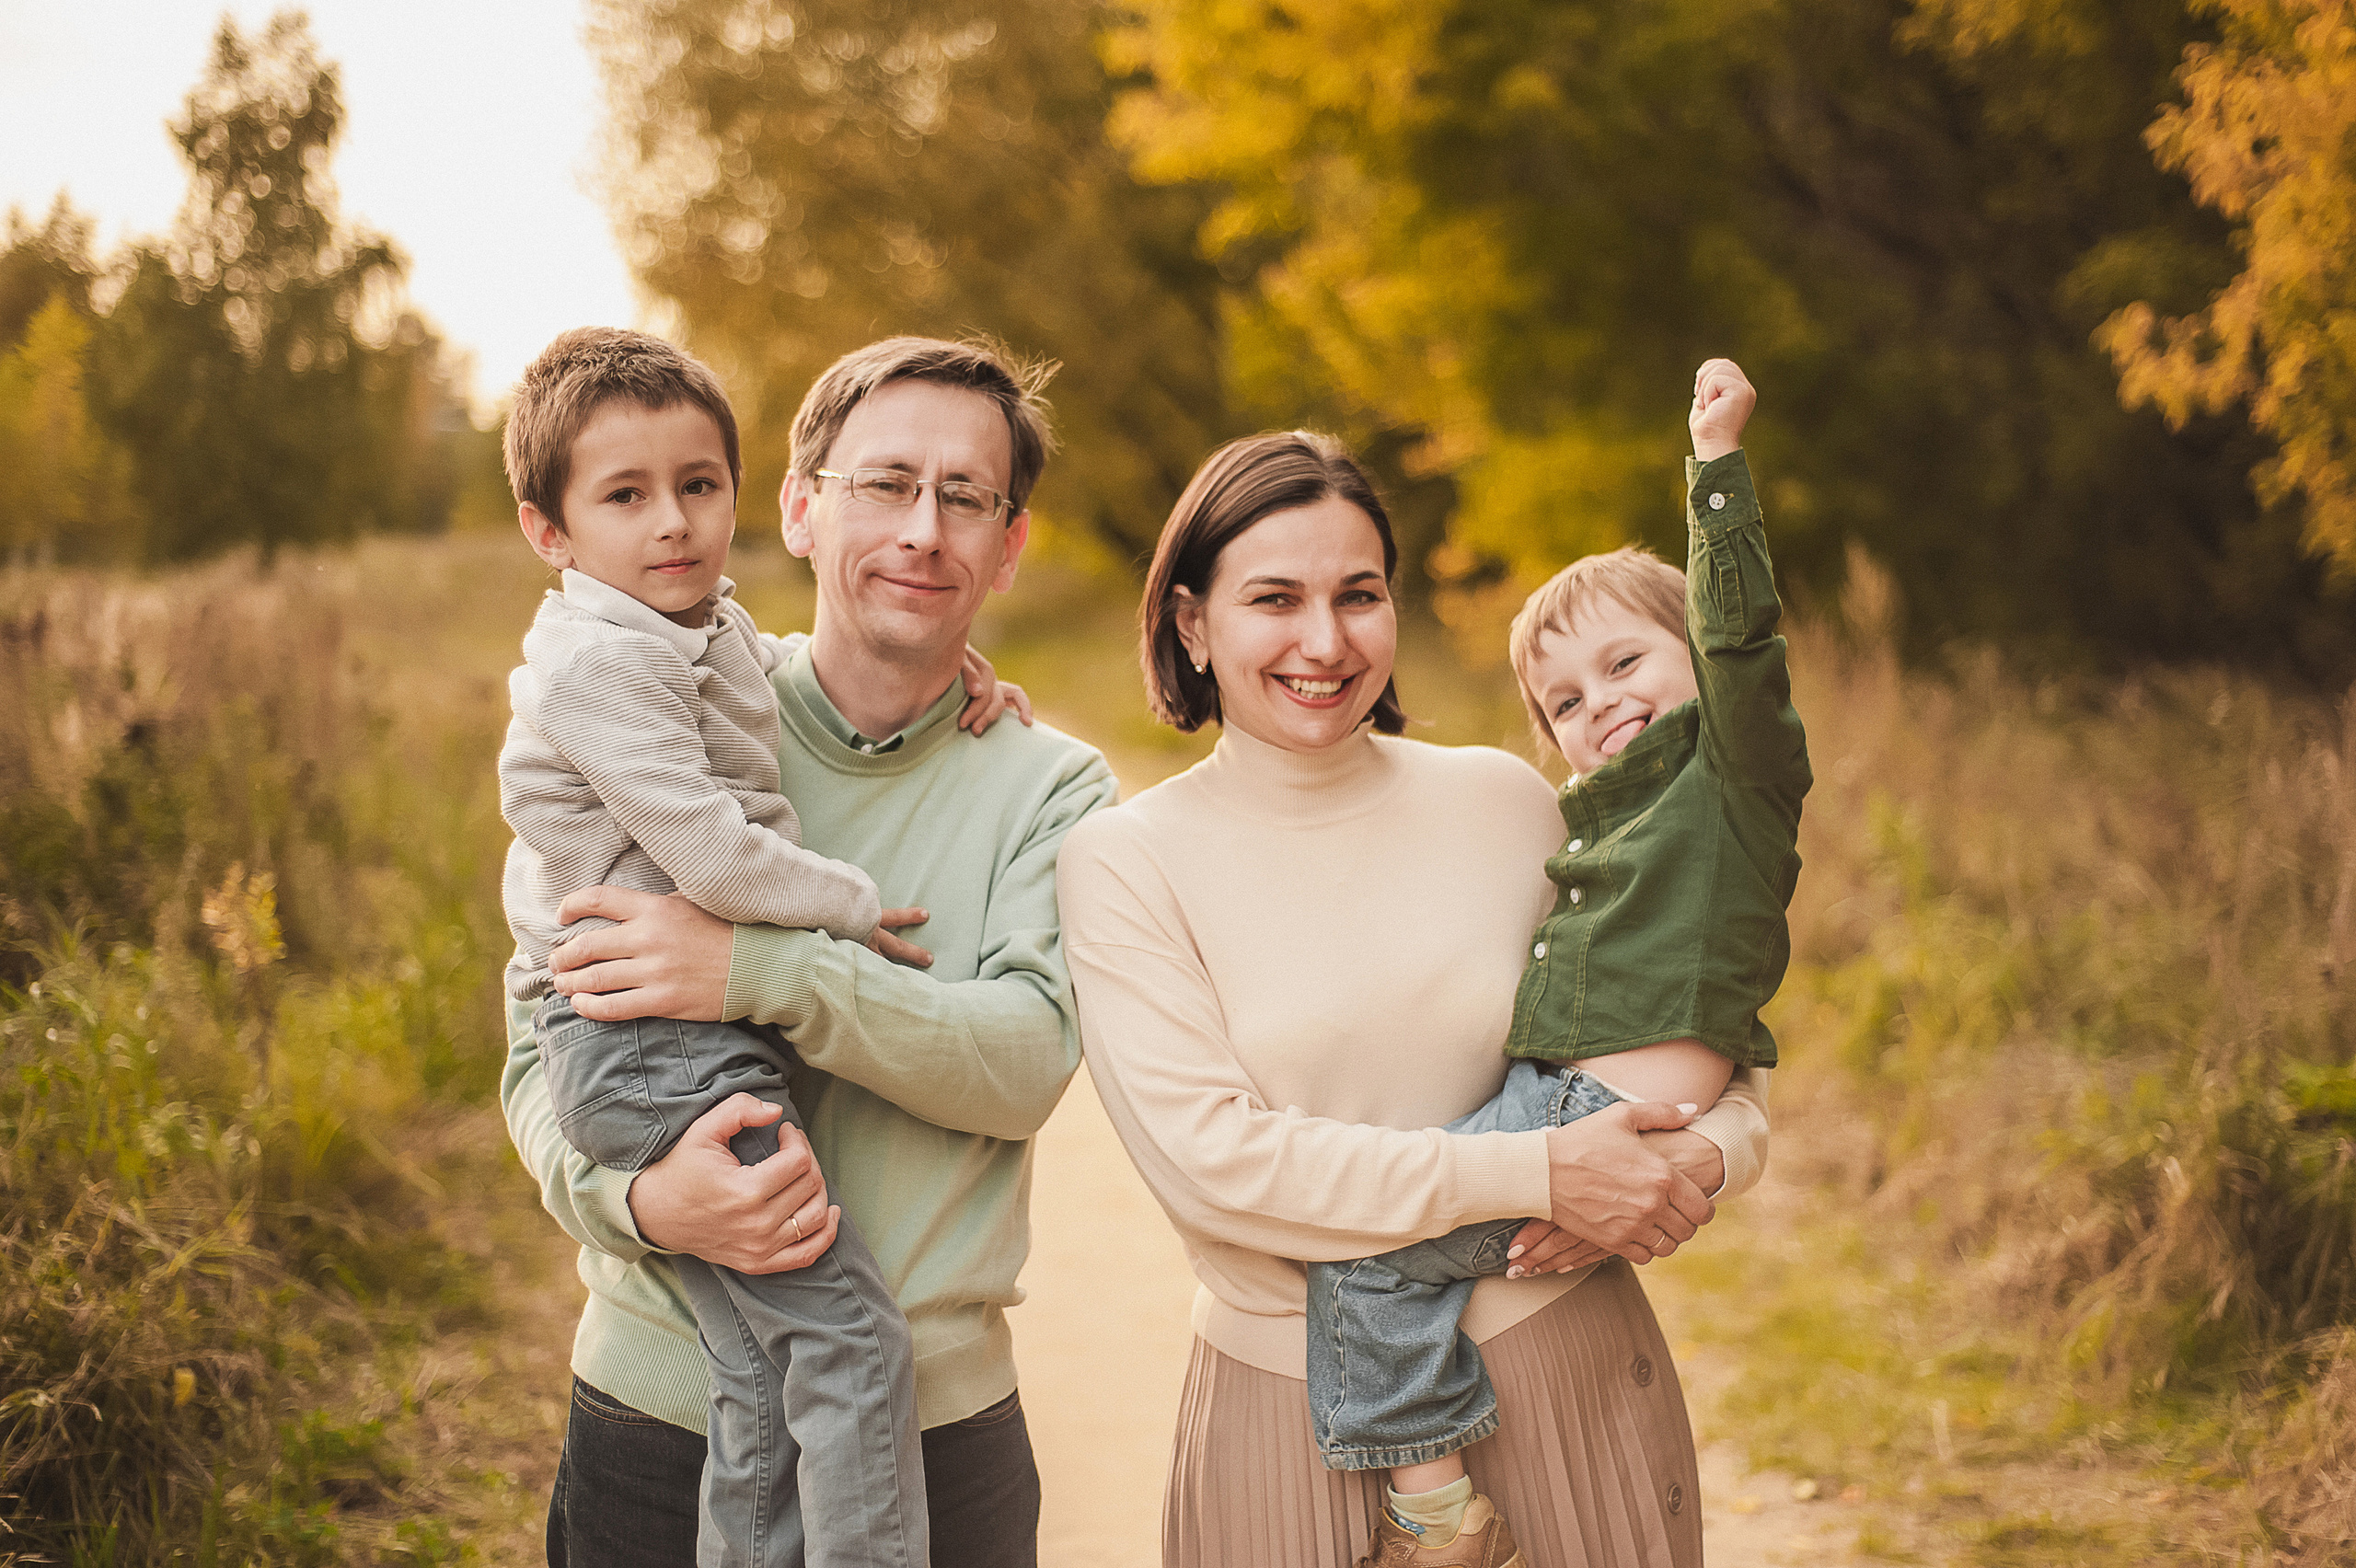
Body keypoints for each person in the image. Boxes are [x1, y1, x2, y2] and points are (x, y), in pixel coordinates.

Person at [1056, 421, 1773, 1567]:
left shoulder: (1507, 801)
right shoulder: (1127, 860)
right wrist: (1537, 1172)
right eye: (1275, 600)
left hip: (1573, 1379)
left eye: (1359, 593)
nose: (1325, 641)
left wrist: (1720, 1151)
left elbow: (1677, 1014)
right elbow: (1219, 1168)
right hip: (1299, 1424)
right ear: (1192, 623)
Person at [500, 334, 1118, 1568]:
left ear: (1010, 544)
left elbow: (1023, 1061)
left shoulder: (1055, 787)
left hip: (940, 1433)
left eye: (967, 499)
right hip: (657, 1408)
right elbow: (536, 1059)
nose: (923, 532)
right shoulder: (657, 721)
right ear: (798, 506)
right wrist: (639, 1202)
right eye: (886, 484)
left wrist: (753, 971)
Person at [1299, 357, 1808, 1565]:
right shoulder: (1588, 817)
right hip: (1562, 1104)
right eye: (1566, 701)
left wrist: (1718, 469)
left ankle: (1435, 1515)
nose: (1601, 704)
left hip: (1597, 1104)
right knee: (1394, 1225)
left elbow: (1743, 640)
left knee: (1361, 1248)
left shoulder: (1734, 778)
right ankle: (1440, 1492)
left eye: (1628, 664)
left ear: (1693, 659)